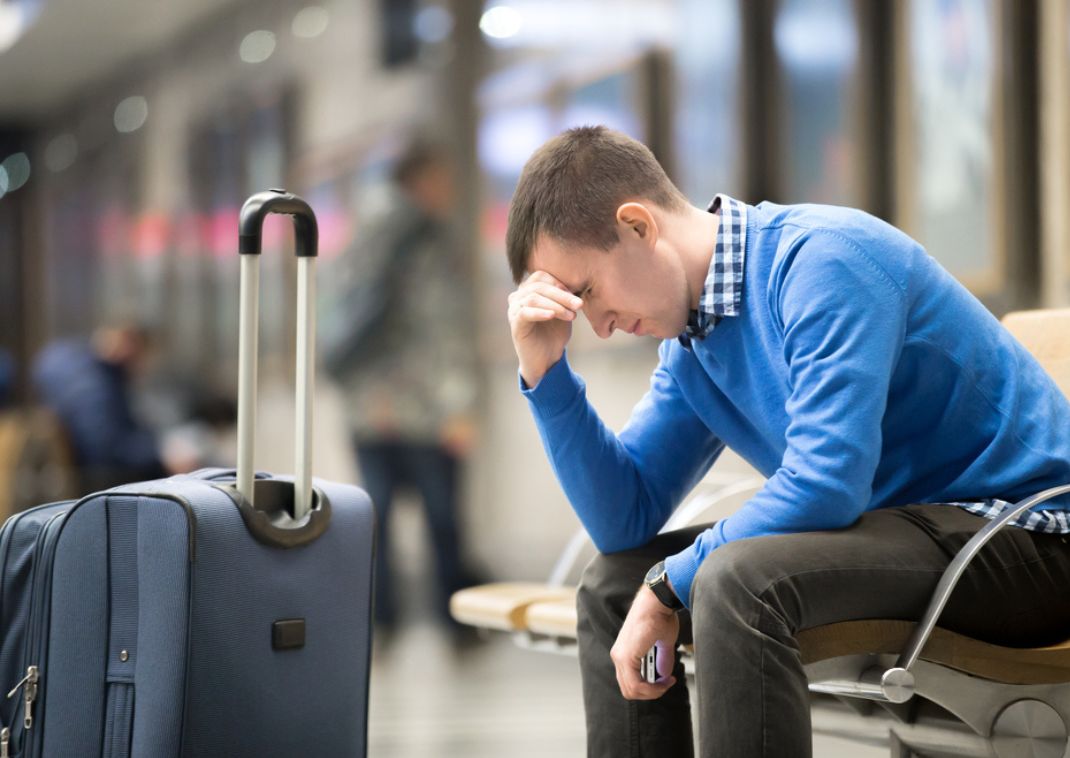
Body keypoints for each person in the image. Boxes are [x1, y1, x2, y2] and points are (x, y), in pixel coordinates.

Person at [504, 125, 1070, 757]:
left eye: (587, 293)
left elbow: (827, 483)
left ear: (637, 225)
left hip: (1027, 539)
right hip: (909, 533)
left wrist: (670, 584)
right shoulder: (693, 346)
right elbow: (622, 521)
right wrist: (545, 376)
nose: (600, 328)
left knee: (734, 579)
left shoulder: (823, 261)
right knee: (613, 584)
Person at [329, 138, 480, 645]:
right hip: (425, 409)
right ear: (421, 180)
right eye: (442, 180)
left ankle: (381, 622)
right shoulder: (428, 238)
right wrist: (460, 407)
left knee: (377, 520)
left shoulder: (359, 230)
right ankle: (454, 621)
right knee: (442, 521)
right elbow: (446, 329)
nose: (448, 191)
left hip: (368, 408)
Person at [32, 324, 194, 491]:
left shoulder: (75, 365)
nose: (141, 369)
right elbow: (107, 448)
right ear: (128, 346)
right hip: (99, 483)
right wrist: (159, 454)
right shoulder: (94, 388)